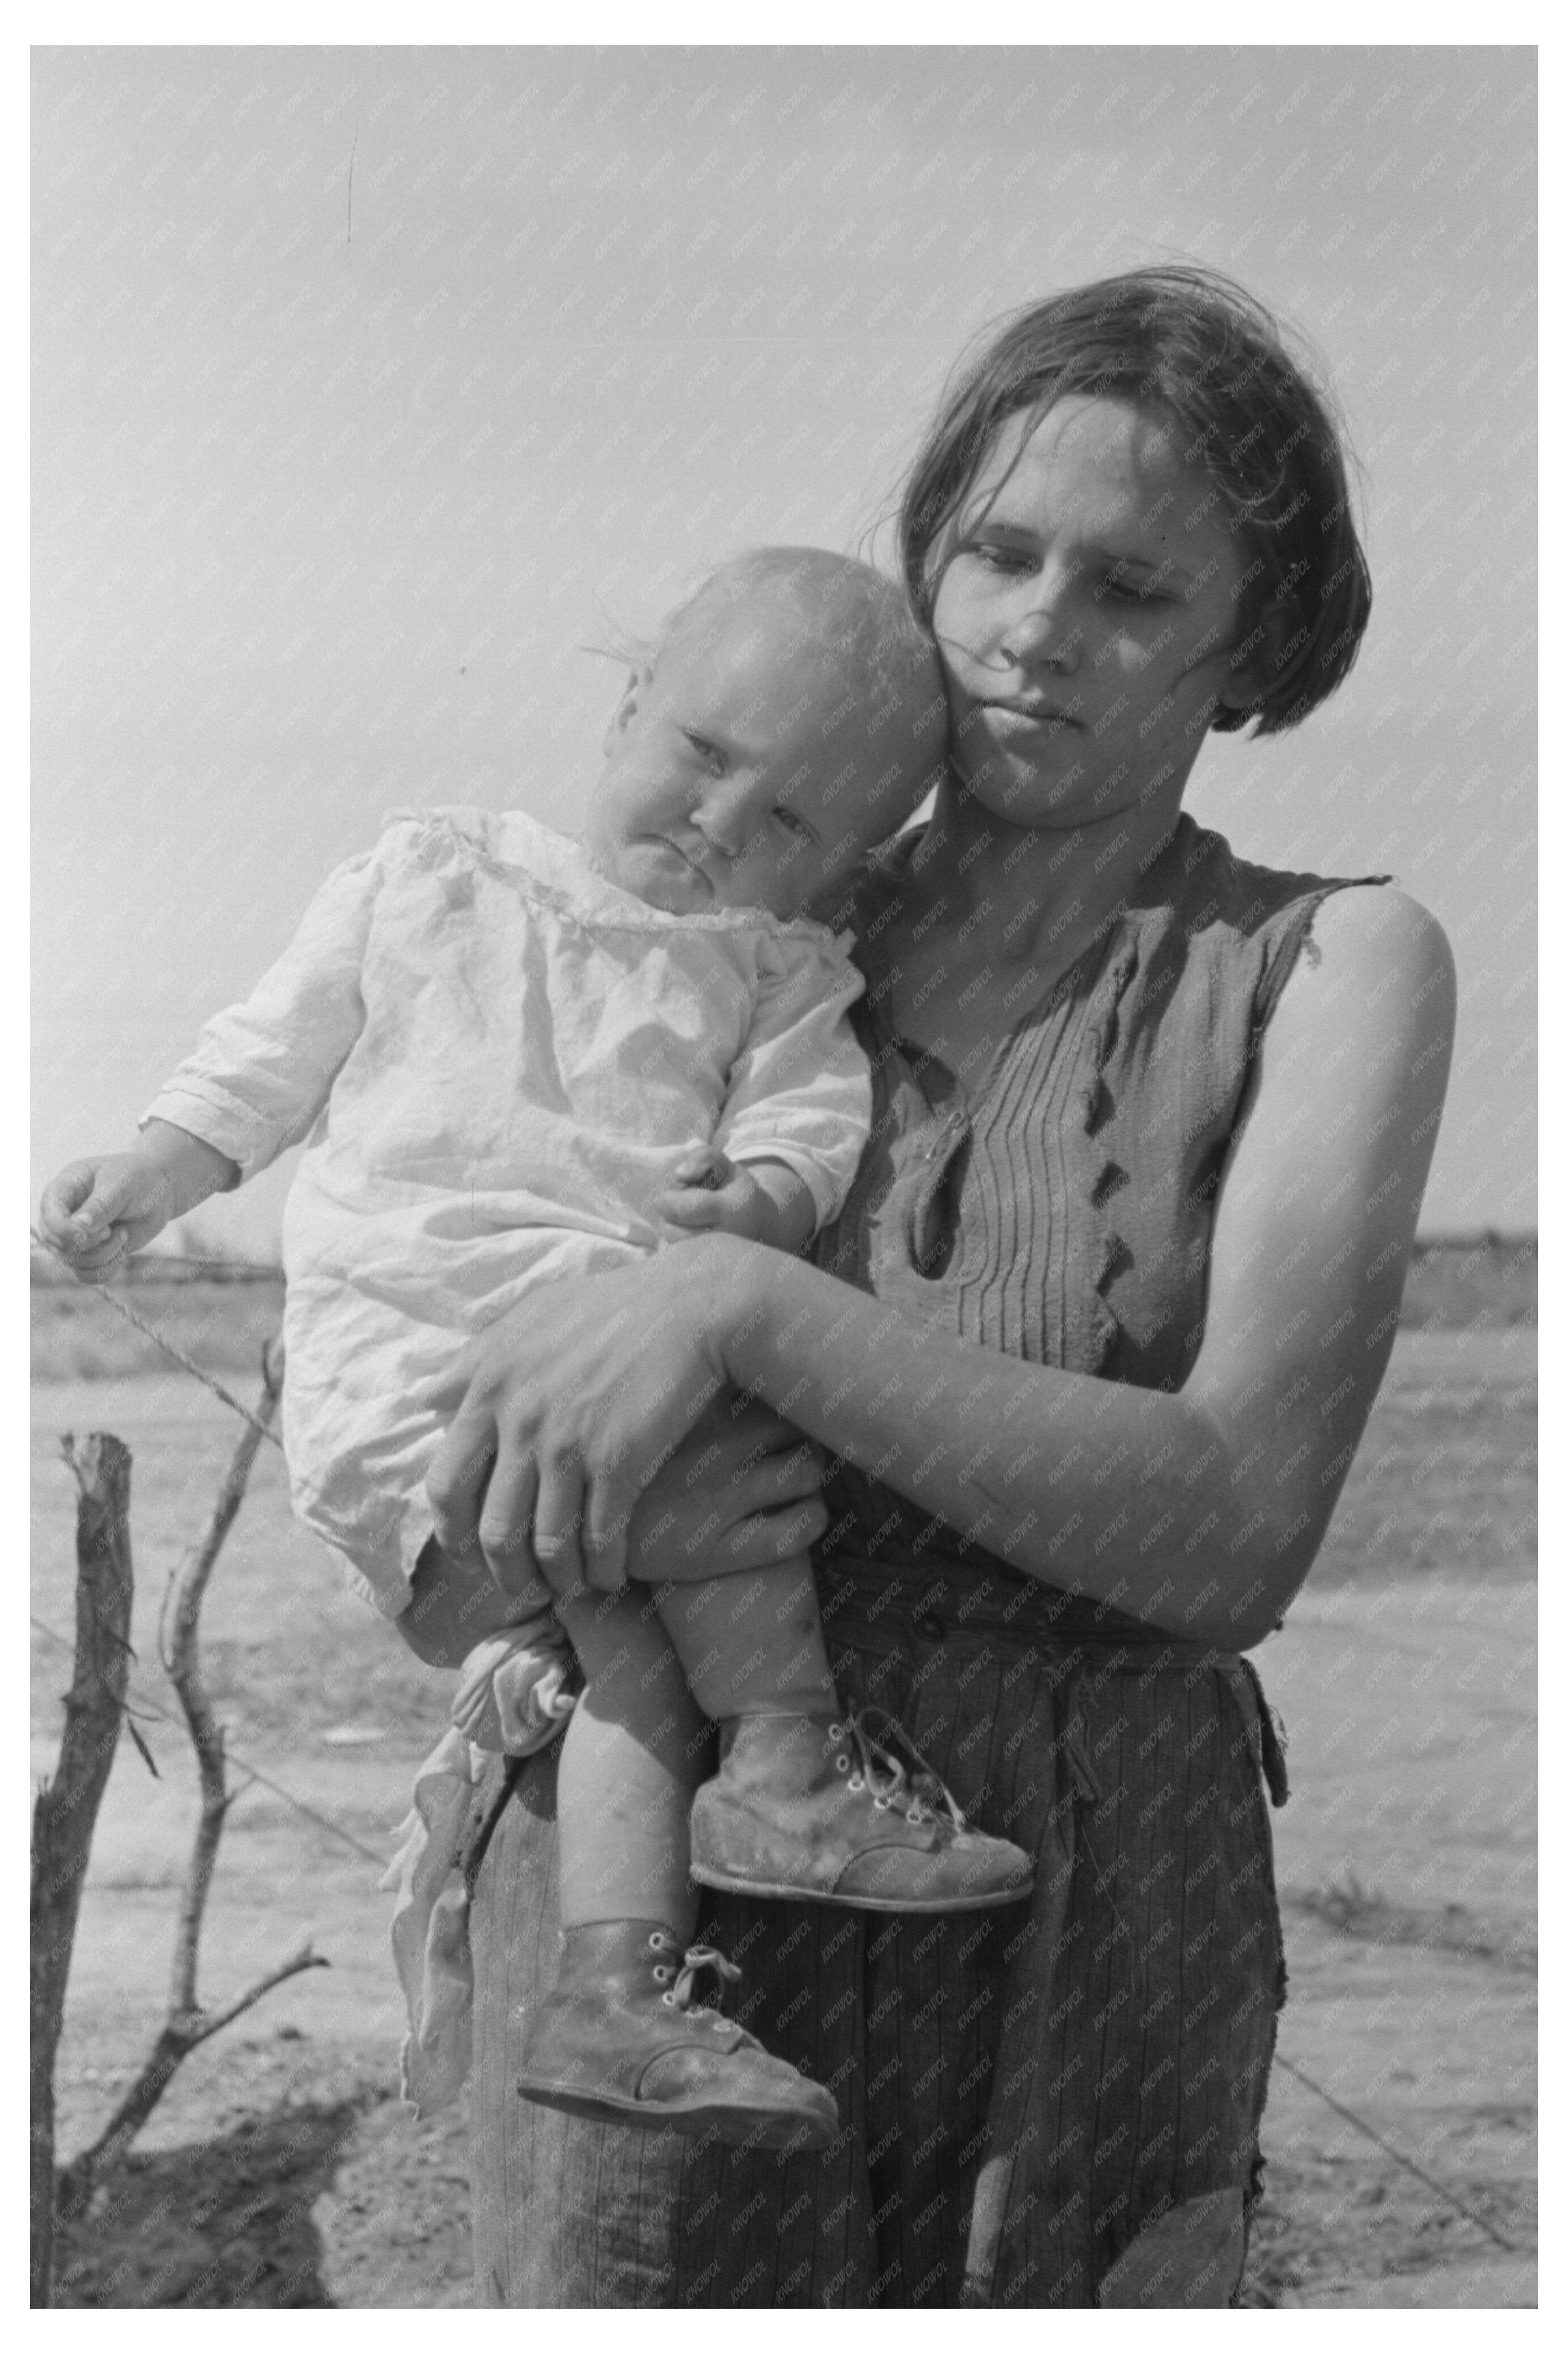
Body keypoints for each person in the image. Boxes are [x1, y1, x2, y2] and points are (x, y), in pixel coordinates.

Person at [406, 266, 1457, 2307]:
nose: (1039, 629)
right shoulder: (708, 929)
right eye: (999, 549)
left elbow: (1236, 1529)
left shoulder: (1337, 968)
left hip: (1092, 1927)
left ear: (1255, 650)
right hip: (657, 1906)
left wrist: (748, 1312)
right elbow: (450, 1425)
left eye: (1137, 590)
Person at [37, 546, 1037, 2156]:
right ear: (629, 702)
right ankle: (783, 1762)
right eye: (705, 758)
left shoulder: (777, 972)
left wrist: (763, 1194)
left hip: (600, 1373)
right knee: (736, 1505)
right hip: (410, 1370)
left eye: (788, 822)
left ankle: (618, 1987)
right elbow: (269, 1057)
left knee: (632, 1641)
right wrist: (153, 1174)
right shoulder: (433, 875)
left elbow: (810, 1124)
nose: (720, 824)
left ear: (842, 867)